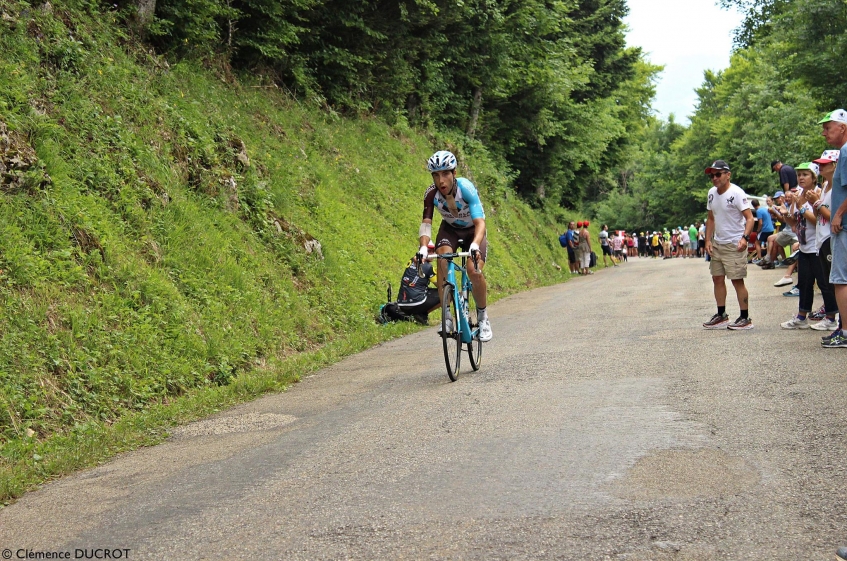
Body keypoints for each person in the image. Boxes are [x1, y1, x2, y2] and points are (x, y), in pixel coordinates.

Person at [418, 150, 492, 341]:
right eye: (435, 175)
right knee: (442, 259)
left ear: (454, 173)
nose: (440, 180)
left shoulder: (466, 189)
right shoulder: (431, 194)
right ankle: (448, 316)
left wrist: (475, 245)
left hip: (472, 231)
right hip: (449, 230)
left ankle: (483, 318)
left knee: (473, 270)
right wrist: (424, 247)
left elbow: (480, 223)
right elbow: (426, 223)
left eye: (445, 174)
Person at [778, 163, 838, 330]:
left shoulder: (818, 194)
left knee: (825, 284)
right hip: (804, 248)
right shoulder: (798, 195)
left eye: (805, 174)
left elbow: (819, 220)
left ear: (814, 177)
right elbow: (793, 224)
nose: (801, 178)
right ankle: (801, 317)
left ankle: (831, 318)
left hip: (817, 246)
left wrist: (802, 208)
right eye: (799, 175)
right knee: (804, 283)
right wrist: (786, 214)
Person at [702, 160, 755, 330]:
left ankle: (745, 317)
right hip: (718, 243)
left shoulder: (737, 193)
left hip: (734, 243)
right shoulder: (712, 193)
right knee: (717, 278)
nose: (715, 178)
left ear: (728, 174)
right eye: (712, 175)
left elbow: (749, 218)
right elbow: (711, 218)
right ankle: (721, 315)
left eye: (718, 174)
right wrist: (708, 240)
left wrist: (744, 238)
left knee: (736, 281)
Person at [818, 109, 847, 347]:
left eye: (828, 127)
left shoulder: (846, 152)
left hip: (844, 226)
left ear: (842, 128)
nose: (824, 132)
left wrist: (837, 214)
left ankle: (845, 331)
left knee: (840, 279)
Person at [397, 242, 440, 323]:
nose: (432, 253)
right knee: (448, 293)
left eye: (433, 250)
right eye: (429, 251)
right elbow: (440, 285)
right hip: (416, 303)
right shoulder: (428, 267)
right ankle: (422, 314)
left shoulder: (411, 260)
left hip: (401, 303)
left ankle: (416, 314)